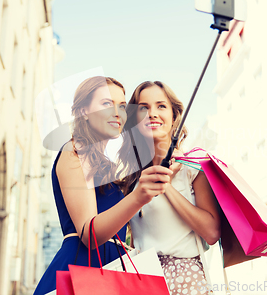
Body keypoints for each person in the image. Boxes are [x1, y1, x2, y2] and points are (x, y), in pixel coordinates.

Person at [34, 76, 173, 295]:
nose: (117, 112)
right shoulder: (75, 151)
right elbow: (89, 234)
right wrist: (138, 197)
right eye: (107, 104)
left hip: (110, 270)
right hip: (82, 268)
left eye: (121, 105)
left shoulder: (106, 166)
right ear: (83, 112)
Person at [121, 81, 221, 295]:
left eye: (161, 106)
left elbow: (212, 233)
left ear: (175, 117)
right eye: (143, 108)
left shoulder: (193, 168)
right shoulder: (132, 178)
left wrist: (165, 185)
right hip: (142, 281)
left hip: (185, 281)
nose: (152, 114)